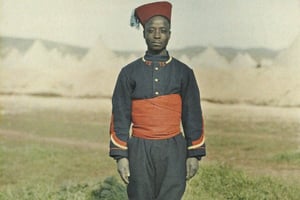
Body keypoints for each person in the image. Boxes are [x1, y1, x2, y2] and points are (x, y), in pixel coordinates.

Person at [109, 1, 206, 199]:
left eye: (163, 30)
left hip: (174, 149)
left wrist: (194, 154)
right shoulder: (129, 73)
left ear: (170, 34)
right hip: (139, 149)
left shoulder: (184, 72)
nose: (157, 35)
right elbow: (119, 115)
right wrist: (121, 156)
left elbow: (193, 115)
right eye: (151, 30)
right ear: (143, 33)